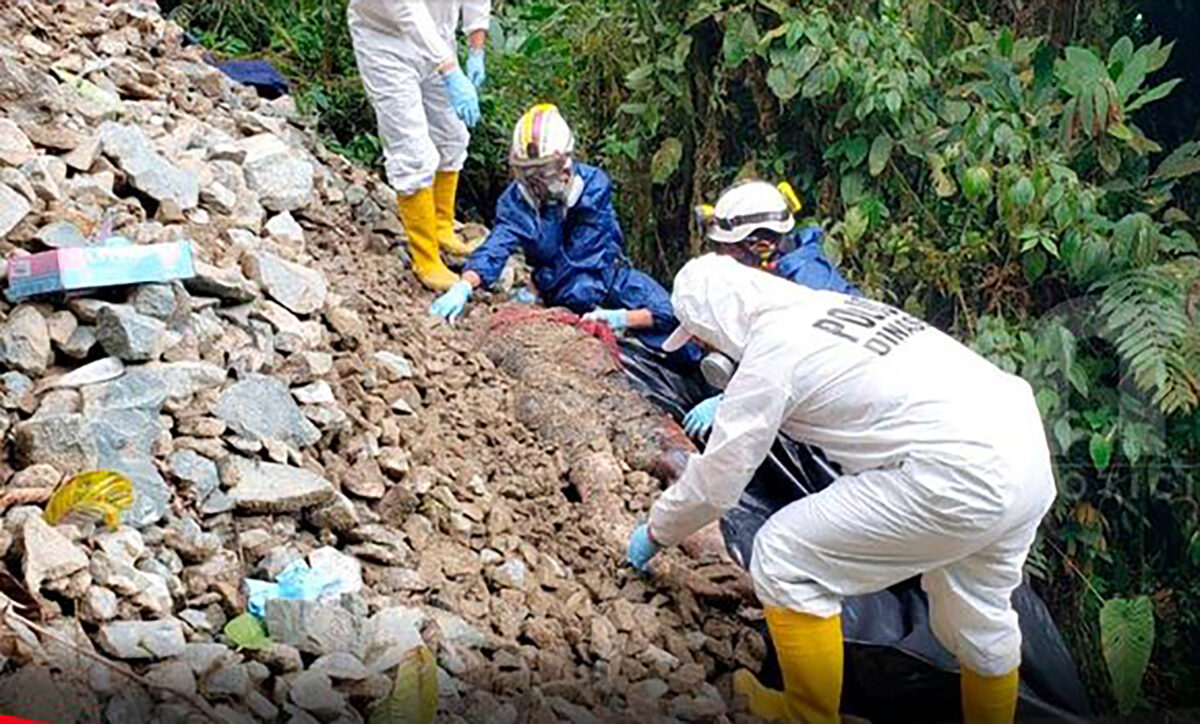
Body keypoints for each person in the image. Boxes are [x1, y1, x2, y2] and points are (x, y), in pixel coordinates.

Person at [627, 254, 1056, 724]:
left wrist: (657, 531)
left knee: (786, 555)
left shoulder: (770, 354)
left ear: (716, 326)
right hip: (1023, 448)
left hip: (959, 471)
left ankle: (806, 714)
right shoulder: (825, 308)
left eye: (703, 338)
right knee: (980, 611)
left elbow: (717, 483)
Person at [430, 104, 699, 364]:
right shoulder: (517, 201)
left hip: (607, 274)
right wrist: (465, 285)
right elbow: (496, 245)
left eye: (543, 171)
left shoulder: (592, 187)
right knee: (577, 293)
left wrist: (621, 318)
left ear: (565, 165)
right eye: (527, 173)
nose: (536, 182)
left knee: (672, 315)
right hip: (558, 286)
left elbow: (584, 258)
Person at [682, 180, 860, 436]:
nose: (725, 256)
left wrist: (731, 401)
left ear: (761, 245)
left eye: (730, 248)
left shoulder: (809, 282)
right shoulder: (770, 272)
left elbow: (810, 365)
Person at [347, 0, 491, 291]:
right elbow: (406, 9)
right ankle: (426, 259)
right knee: (412, 151)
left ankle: (442, 227)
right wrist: (449, 69)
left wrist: (476, 49)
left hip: (438, 38)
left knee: (452, 135)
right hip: (385, 41)